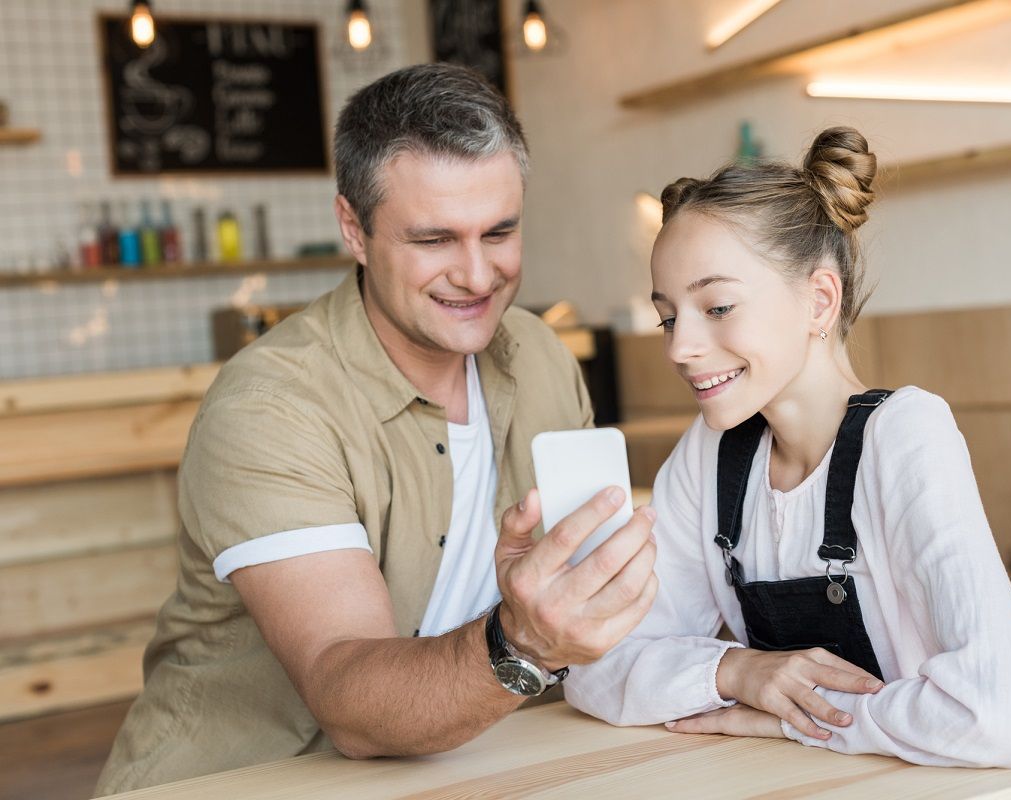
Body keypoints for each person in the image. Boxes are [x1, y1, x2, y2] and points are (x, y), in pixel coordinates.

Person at [95, 64, 658, 795]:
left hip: (473, 762)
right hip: (244, 781)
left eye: (500, 231)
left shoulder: (543, 358)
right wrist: (521, 642)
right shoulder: (270, 408)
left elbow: (595, 599)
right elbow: (347, 695)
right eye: (434, 239)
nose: (478, 274)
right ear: (353, 230)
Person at [564, 126, 1011, 768]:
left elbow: (1002, 720)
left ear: (819, 300)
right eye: (668, 315)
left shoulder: (906, 434)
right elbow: (594, 667)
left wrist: (790, 720)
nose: (678, 347)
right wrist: (741, 674)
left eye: (716, 308)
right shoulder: (712, 453)